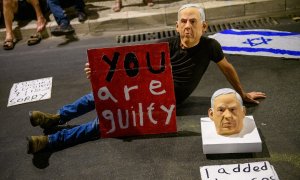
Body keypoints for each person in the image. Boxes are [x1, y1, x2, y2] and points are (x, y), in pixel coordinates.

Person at [26, 4, 266, 154]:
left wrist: (241, 94)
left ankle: (51, 142)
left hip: (162, 105)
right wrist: (99, 75)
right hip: (143, 92)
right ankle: (56, 118)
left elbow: (227, 68)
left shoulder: (210, 46)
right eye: (183, 21)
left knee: (105, 124)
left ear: (204, 26)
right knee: (97, 96)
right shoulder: (164, 46)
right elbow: (130, 68)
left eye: (193, 22)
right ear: (176, 26)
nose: (187, 26)